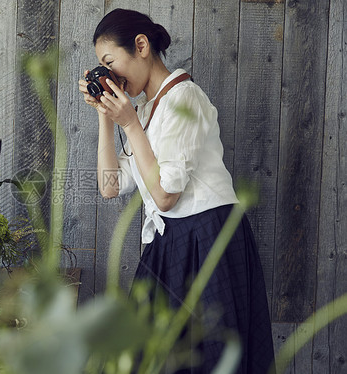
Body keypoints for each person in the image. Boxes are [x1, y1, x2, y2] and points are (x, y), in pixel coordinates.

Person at [78, 8, 274, 374]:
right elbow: (110, 186)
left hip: (208, 238)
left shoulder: (185, 98)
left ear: (141, 46)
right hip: (171, 243)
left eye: (110, 62)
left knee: (209, 359)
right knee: (152, 357)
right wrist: (107, 117)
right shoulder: (148, 110)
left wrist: (130, 123)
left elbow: (166, 195)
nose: (110, 75)